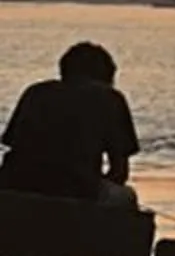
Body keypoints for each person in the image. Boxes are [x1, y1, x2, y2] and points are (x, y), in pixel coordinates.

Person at [0, 41, 141, 204]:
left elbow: (12, 146)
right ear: (107, 76)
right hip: (76, 189)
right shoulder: (111, 98)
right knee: (127, 196)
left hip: (14, 184)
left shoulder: (36, 92)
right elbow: (119, 171)